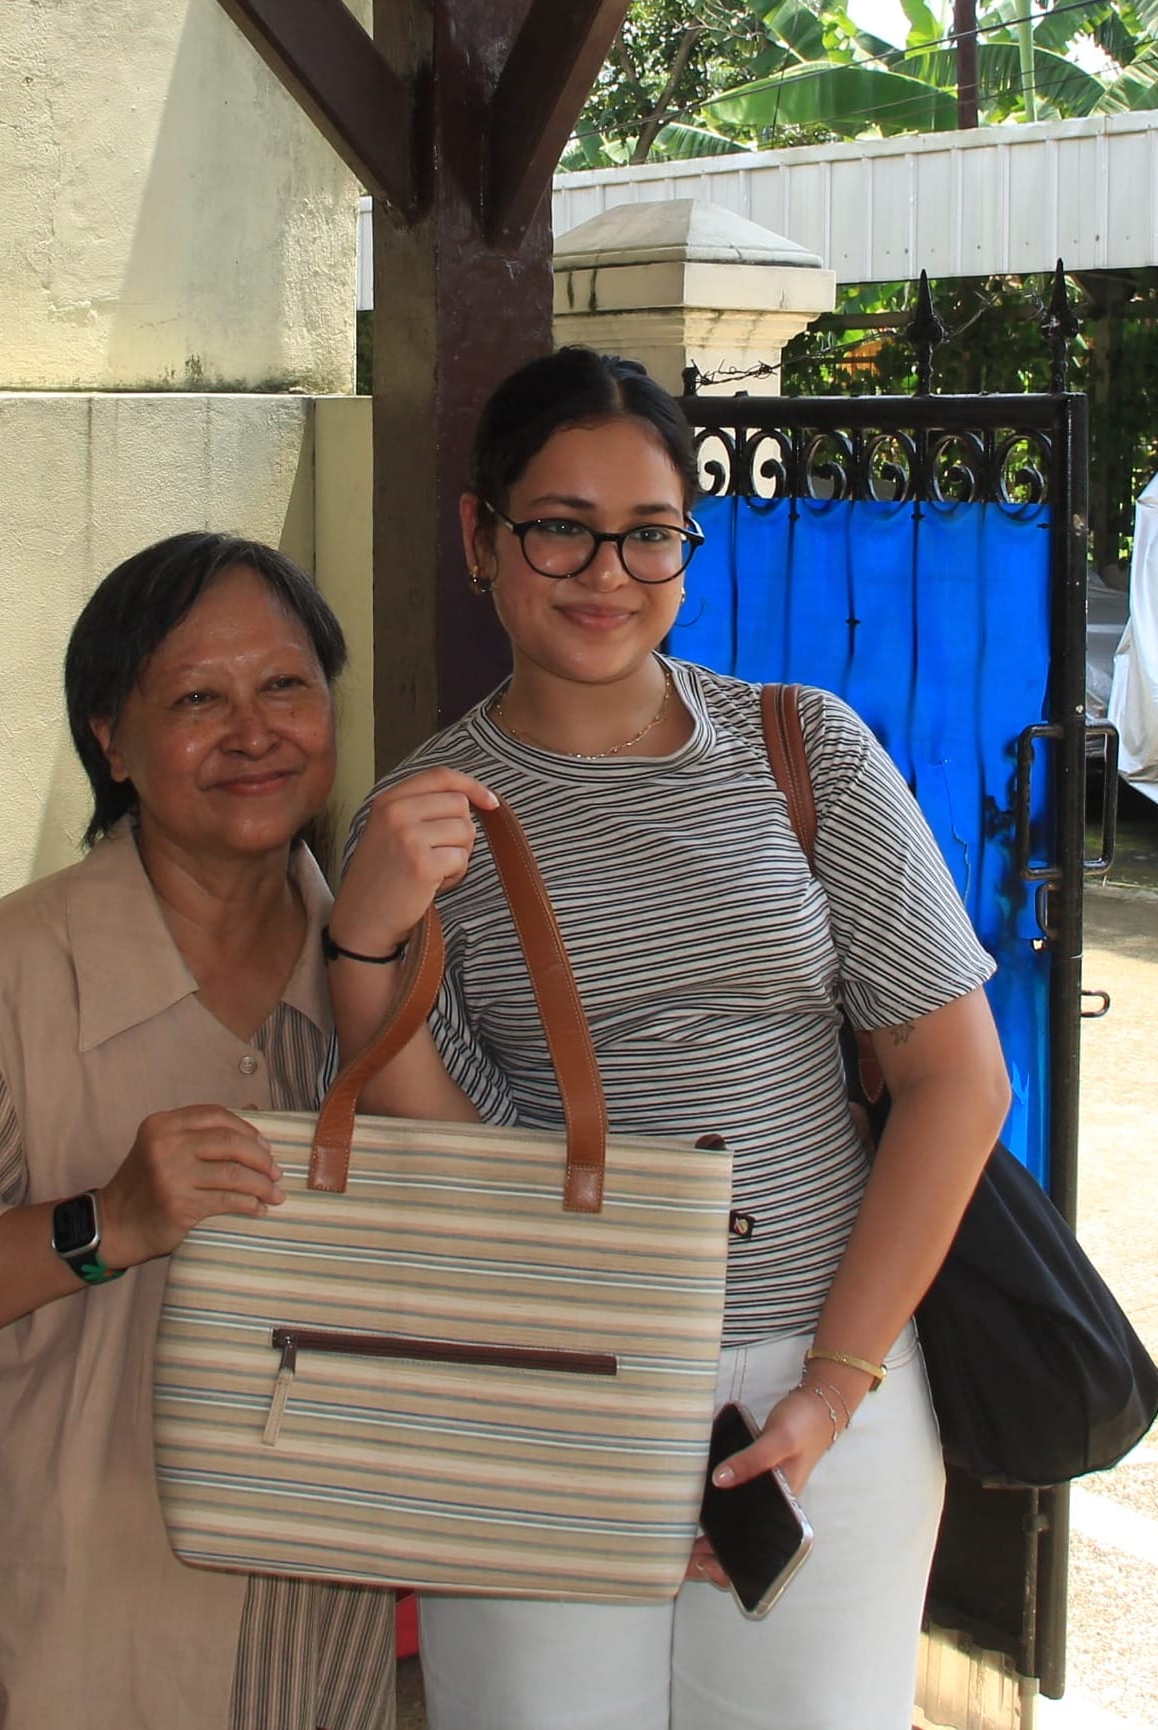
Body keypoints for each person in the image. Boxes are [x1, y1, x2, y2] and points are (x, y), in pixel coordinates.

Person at [328, 349, 1013, 1729]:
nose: (606, 570)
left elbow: (956, 1080)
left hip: (826, 1380)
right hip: (550, 1378)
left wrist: (831, 1385)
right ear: (480, 536)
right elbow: (451, 1144)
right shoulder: (423, 819)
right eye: (558, 525)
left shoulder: (801, 749)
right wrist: (360, 945)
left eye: (647, 532)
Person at [0, 532, 393, 1730]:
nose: (254, 732)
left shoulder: (381, 979)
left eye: (285, 685)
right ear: (110, 740)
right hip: (37, 1645)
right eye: (195, 700)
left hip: (302, 1638)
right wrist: (100, 1222)